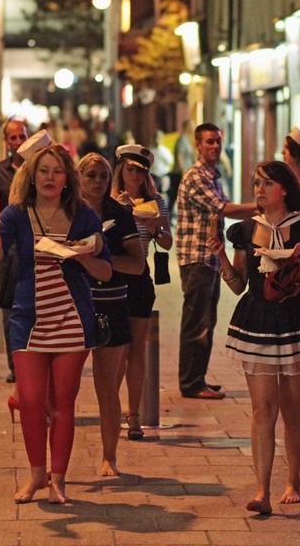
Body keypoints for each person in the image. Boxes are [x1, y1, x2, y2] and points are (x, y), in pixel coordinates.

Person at [0, 144, 112, 504]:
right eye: (43, 171)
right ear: (32, 177)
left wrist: (82, 256)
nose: (50, 177)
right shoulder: (17, 214)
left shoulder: (83, 215)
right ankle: (36, 475)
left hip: (72, 318)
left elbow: (106, 270)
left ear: (68, 177)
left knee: (62, 404)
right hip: (28, 318)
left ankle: (58, 480)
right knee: (32, 401)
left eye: (57, 171)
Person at [210, 160, 300, 514]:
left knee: (292, 406)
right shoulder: (245, 230)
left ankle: (293, 479)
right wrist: (221, 258)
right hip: (258, 321)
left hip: (298, 321)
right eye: (256, 183)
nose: (260, 189)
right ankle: (262, 490)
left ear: (285, 189)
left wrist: (296, 271)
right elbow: (239, 285)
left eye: (267, 183)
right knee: (262, 408)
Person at [175, 123, 258, 399]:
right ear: (197, 144)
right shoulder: (196, 176)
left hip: (209, 259)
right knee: (197, 322)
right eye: (209, 142)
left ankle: (198, 379)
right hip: (197, 258)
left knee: (206, 320)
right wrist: (262, 206)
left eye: (218, 142)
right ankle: (191, 383)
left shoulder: (213, 176)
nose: (215, 147)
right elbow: (223, 208)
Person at [79, 153, 144, 476]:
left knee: (107, 387)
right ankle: (52, 464)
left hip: (112, 303)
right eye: (90, 175)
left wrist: (101, 257)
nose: (97, 182)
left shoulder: (120, 214)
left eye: (103, 176)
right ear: (78, 178)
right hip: (74, 303)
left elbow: (137, 264)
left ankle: (109, 457)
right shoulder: (69, 213)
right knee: (62, 387)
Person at [111, 144, 172, 440]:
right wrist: (120, 210)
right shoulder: (107, 199)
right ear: (121, 168)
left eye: (141, 171)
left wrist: (154, 225)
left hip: (140, 278)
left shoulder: (155, 201)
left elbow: (168, 242)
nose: (135, 175)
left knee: (137, 350)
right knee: (115, 351)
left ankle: (134, 415)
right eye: (130, 169)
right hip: (111, 278)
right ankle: (110, 408)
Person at [0, 118, 31, 383]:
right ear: (6, 141)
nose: (17, 142)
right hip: (7, 244)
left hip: (32, 243)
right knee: (9, 303)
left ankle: (30, 357)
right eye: (12, 138)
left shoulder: (36, 168)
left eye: (21, 136)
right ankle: (15, 365)